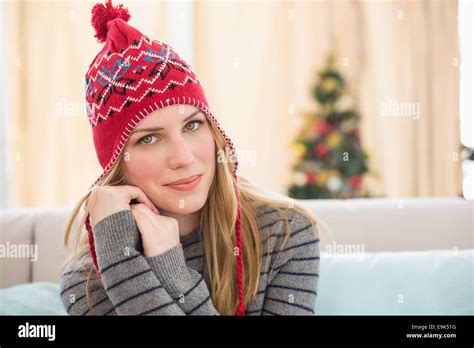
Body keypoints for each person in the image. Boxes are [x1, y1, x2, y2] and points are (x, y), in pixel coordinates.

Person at [59, 0, 323, 316]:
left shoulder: (285, 233)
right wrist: (121, 259)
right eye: (149, 138)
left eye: (193, 124)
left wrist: (173, 271)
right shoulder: (87, 282)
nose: (184, 158)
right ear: (115, 161)